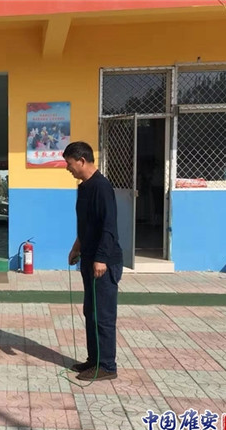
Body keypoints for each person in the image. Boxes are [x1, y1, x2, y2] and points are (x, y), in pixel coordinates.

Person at [63, 141, 123, 381]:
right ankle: (94, 360)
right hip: (88, 258)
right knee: (91, 311)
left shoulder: (101, 187)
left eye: (69, 164)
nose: (67, 168)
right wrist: (76, 247)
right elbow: (87, 224)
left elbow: (109, 227)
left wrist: (101, 258)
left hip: (103, 262)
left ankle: (107, 366)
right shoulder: (85, 187)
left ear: (81, 161)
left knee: (103, 315)